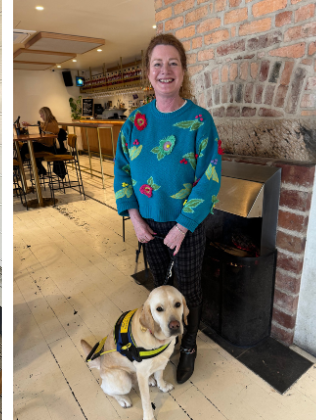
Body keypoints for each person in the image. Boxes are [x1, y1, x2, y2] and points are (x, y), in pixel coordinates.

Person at [113, 34, 222, 384]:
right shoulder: (134, 123)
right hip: (147, 225)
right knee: (161, 289)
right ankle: (165, 342)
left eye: (173, 63)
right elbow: (122, 173)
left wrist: (182, 226)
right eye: (157, 63)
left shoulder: (200, 121)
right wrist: (135, 219)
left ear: (183, 70)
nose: (165, 70)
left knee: (187, 291)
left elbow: (209, 178)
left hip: (186, 225)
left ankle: (188, 346)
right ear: (148, 72)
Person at [22, 107, 59, 175]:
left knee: (25, 147)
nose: (40, 116)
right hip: (45, 145)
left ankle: (17, 167)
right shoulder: (48, 122)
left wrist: (36, 139)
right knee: (28, 148)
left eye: (41, 114)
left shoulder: (51, 124)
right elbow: (41, 127)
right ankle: (41, 169)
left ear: (45, 114)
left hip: (48, 147)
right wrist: (30, 125)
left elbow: (46, 139)